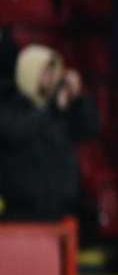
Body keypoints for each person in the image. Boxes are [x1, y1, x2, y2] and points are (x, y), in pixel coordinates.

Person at [0, 45, 97, 221]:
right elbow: (18, 133)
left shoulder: (59, 109)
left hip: (62, 209)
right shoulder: (9, 106)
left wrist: (78, 98)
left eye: (54, 71)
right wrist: (52, 109)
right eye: (46, 72)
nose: (52, 78)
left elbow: (89, 129)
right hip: (23, 213)